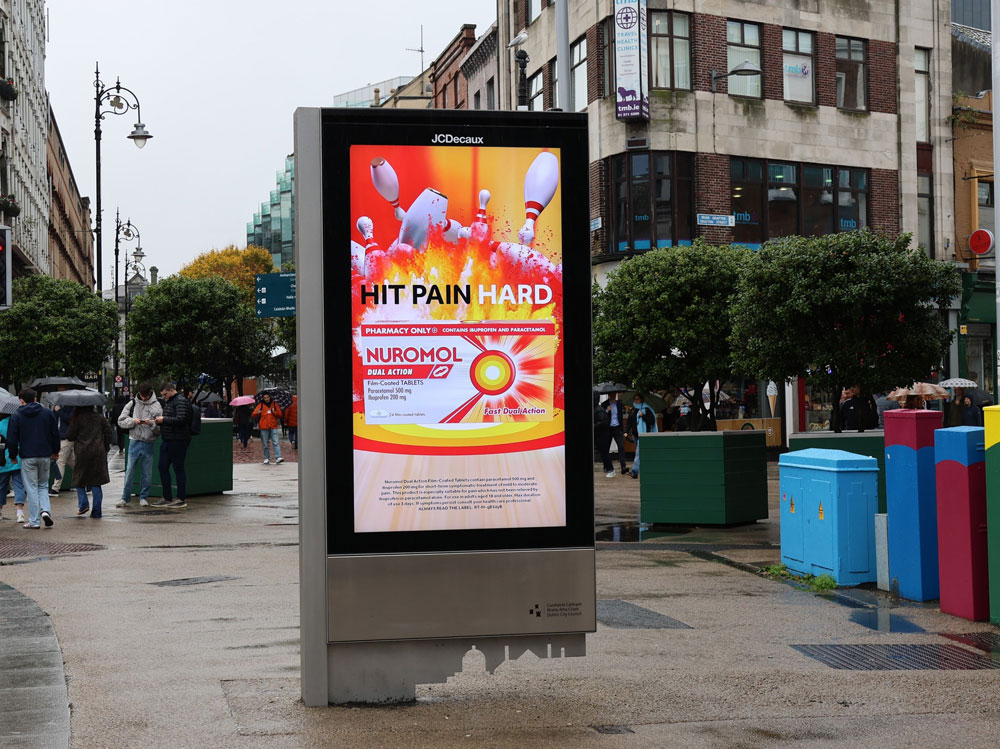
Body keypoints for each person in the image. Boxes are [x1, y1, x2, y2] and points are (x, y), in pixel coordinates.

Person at [6, 388, 60, 529]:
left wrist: (12, 455)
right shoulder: (47, 413)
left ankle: (34, 521)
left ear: (21, 401)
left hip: (27, 456)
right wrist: (55, 450)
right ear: (35, 399)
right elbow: (55, 433)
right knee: (43, 485)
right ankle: (45, 511)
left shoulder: (17, 415)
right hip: (45, 454)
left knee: (31, 488)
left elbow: (12, 438)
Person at [116, 383, 163, 508]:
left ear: (150, 393)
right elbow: (120, 420)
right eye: (142, 396)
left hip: (149, 442)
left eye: (146, 396)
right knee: (130, 471)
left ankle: (143, 497)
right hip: (134, 440)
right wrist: (133, 421)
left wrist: (151, 424)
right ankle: (125, 498)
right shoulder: (132, 403)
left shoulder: (157, 406)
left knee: (147, 473)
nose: (143, 398)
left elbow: (159, 429)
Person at [67, 406, 112, 518]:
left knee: (79, 479)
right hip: (98, 452)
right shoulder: (100, 418)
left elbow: (70, 436)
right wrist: (105, 447)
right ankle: (97, 512)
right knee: (96, 482)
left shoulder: (77, 419)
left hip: (82, 453)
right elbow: (108, 432)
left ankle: (83, 504)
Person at [153, 382, 192, 509]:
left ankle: (180, 498)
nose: (164, 397)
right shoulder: (170, 402)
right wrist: (160, 421)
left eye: (165, 394)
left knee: (178, 468)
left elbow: (182, 419)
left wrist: (164, 419)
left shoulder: (180, 401)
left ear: (171, 390)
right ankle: (167, 497)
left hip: (178, 439)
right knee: (162, 467)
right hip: (168, 439)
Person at [0, 413, 26, 524]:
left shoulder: (0, 424)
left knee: (1, 486)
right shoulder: (19, 423)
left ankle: (0, 512)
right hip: (17, 459)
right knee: (19, 485)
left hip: (3, 460)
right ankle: (20, 513)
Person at [628, 394, 658, 479]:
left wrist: (643, 416)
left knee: (638, 453)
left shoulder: (646, 409)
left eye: (638, 399)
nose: (636, 401)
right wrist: (626, 431)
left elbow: (652, 421)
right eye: (635, 399)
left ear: (641, 399)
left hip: (643, 435)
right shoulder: (633, 409)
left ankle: (634, 472)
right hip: (635, 434)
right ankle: (648, 469)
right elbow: (630, 421)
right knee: (642, 453)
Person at [50, 401, 75, 496]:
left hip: (67, 437)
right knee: (72, 461)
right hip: (59, 437)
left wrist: (59, 411)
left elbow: (70, 419)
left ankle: (55, 487)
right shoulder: (57, 405)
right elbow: (53, 420)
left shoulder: (72, 406)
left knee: (60, 461)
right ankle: (86, 480)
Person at [252, 393, 284, 465]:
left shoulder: (274, 404)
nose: (266, 399)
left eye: (267, 397)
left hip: (273, 426)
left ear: (270, 397)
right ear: (263, 398)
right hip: (264, 426)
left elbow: (280, 415)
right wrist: (258, 412)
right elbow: (253, 414)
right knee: (265, 444)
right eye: (265, 397)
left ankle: (278, 457)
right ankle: (266, 458)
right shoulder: (260, 405)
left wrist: (274, 412)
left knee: (275, 442)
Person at [604, 391, 628, 475]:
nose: (613, 395)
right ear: (609, 395)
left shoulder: (619, 404)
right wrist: (606, 410)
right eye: (612, 394)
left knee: (621, 447)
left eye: (615, 394)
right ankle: (607, 467)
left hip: (617, 428)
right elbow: (601, 416)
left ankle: (623, 467)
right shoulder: (604, 404)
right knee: (606, 448)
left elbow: (621, 416)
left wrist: (623, 430)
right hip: (608, 429)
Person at [593, 393, 613, 477]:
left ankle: (610, 469)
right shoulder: (596, 409)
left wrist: (594, 425)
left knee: (604, 452)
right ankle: (607, 468)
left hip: (602, 434)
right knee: (602, 452)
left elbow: (604, 422)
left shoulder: (599, 409)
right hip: (599, 434)